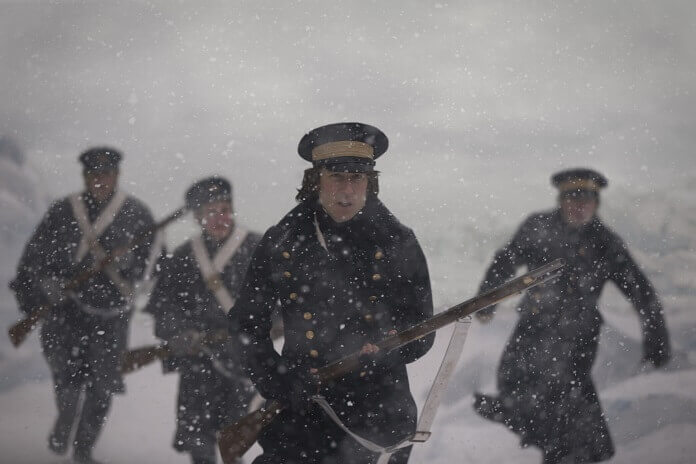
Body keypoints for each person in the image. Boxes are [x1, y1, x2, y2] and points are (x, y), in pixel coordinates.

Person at [233, 122, 434, 464]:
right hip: (302, 400)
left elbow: (421, 325)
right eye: (336, 177)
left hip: (379, 408)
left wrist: (388, 349)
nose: (346, 191)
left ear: (370, 182)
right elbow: (246, 322)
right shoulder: (282, 240)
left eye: (356, 179)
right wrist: (275, 376)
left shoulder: (398, 242)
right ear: (315, 180)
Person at [473, 168, 671, 464]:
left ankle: (567, 449)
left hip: (577, 336)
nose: (580, 205)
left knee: (564, 398)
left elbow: (640, 291)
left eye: (587, 199)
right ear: (561, 200)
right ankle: (546, 433)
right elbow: (505, 261)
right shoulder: (537, 227)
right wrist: (487, 301)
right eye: (573, 198)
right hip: (533, 326)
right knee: (513, 382)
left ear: (596, 203)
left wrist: (657, 340)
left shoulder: (605, 242)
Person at [11, 147, 157, 463]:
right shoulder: (63, 211)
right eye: (94, 173)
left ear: (116, 176)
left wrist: (131, 265)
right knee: (67, 382)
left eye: (106, 173)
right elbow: (33, 259)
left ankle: (84, 449)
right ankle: (65, 421)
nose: (100, 179)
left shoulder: (138, 214)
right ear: (85, 176)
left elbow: (155, 266)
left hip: (111, 316)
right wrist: (43, 286)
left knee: (101, 389)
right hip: (65, 313)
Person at [144, 176, 261, 464]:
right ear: (198, 217)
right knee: (199, 439)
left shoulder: (257, 248)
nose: (219, 218)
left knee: (235, 439)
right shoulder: (184, 256)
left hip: (241, 361)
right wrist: (179, 333)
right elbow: (164, 307)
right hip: (197, 362)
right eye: (211, 212)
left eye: (224, 209)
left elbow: (282, 303)